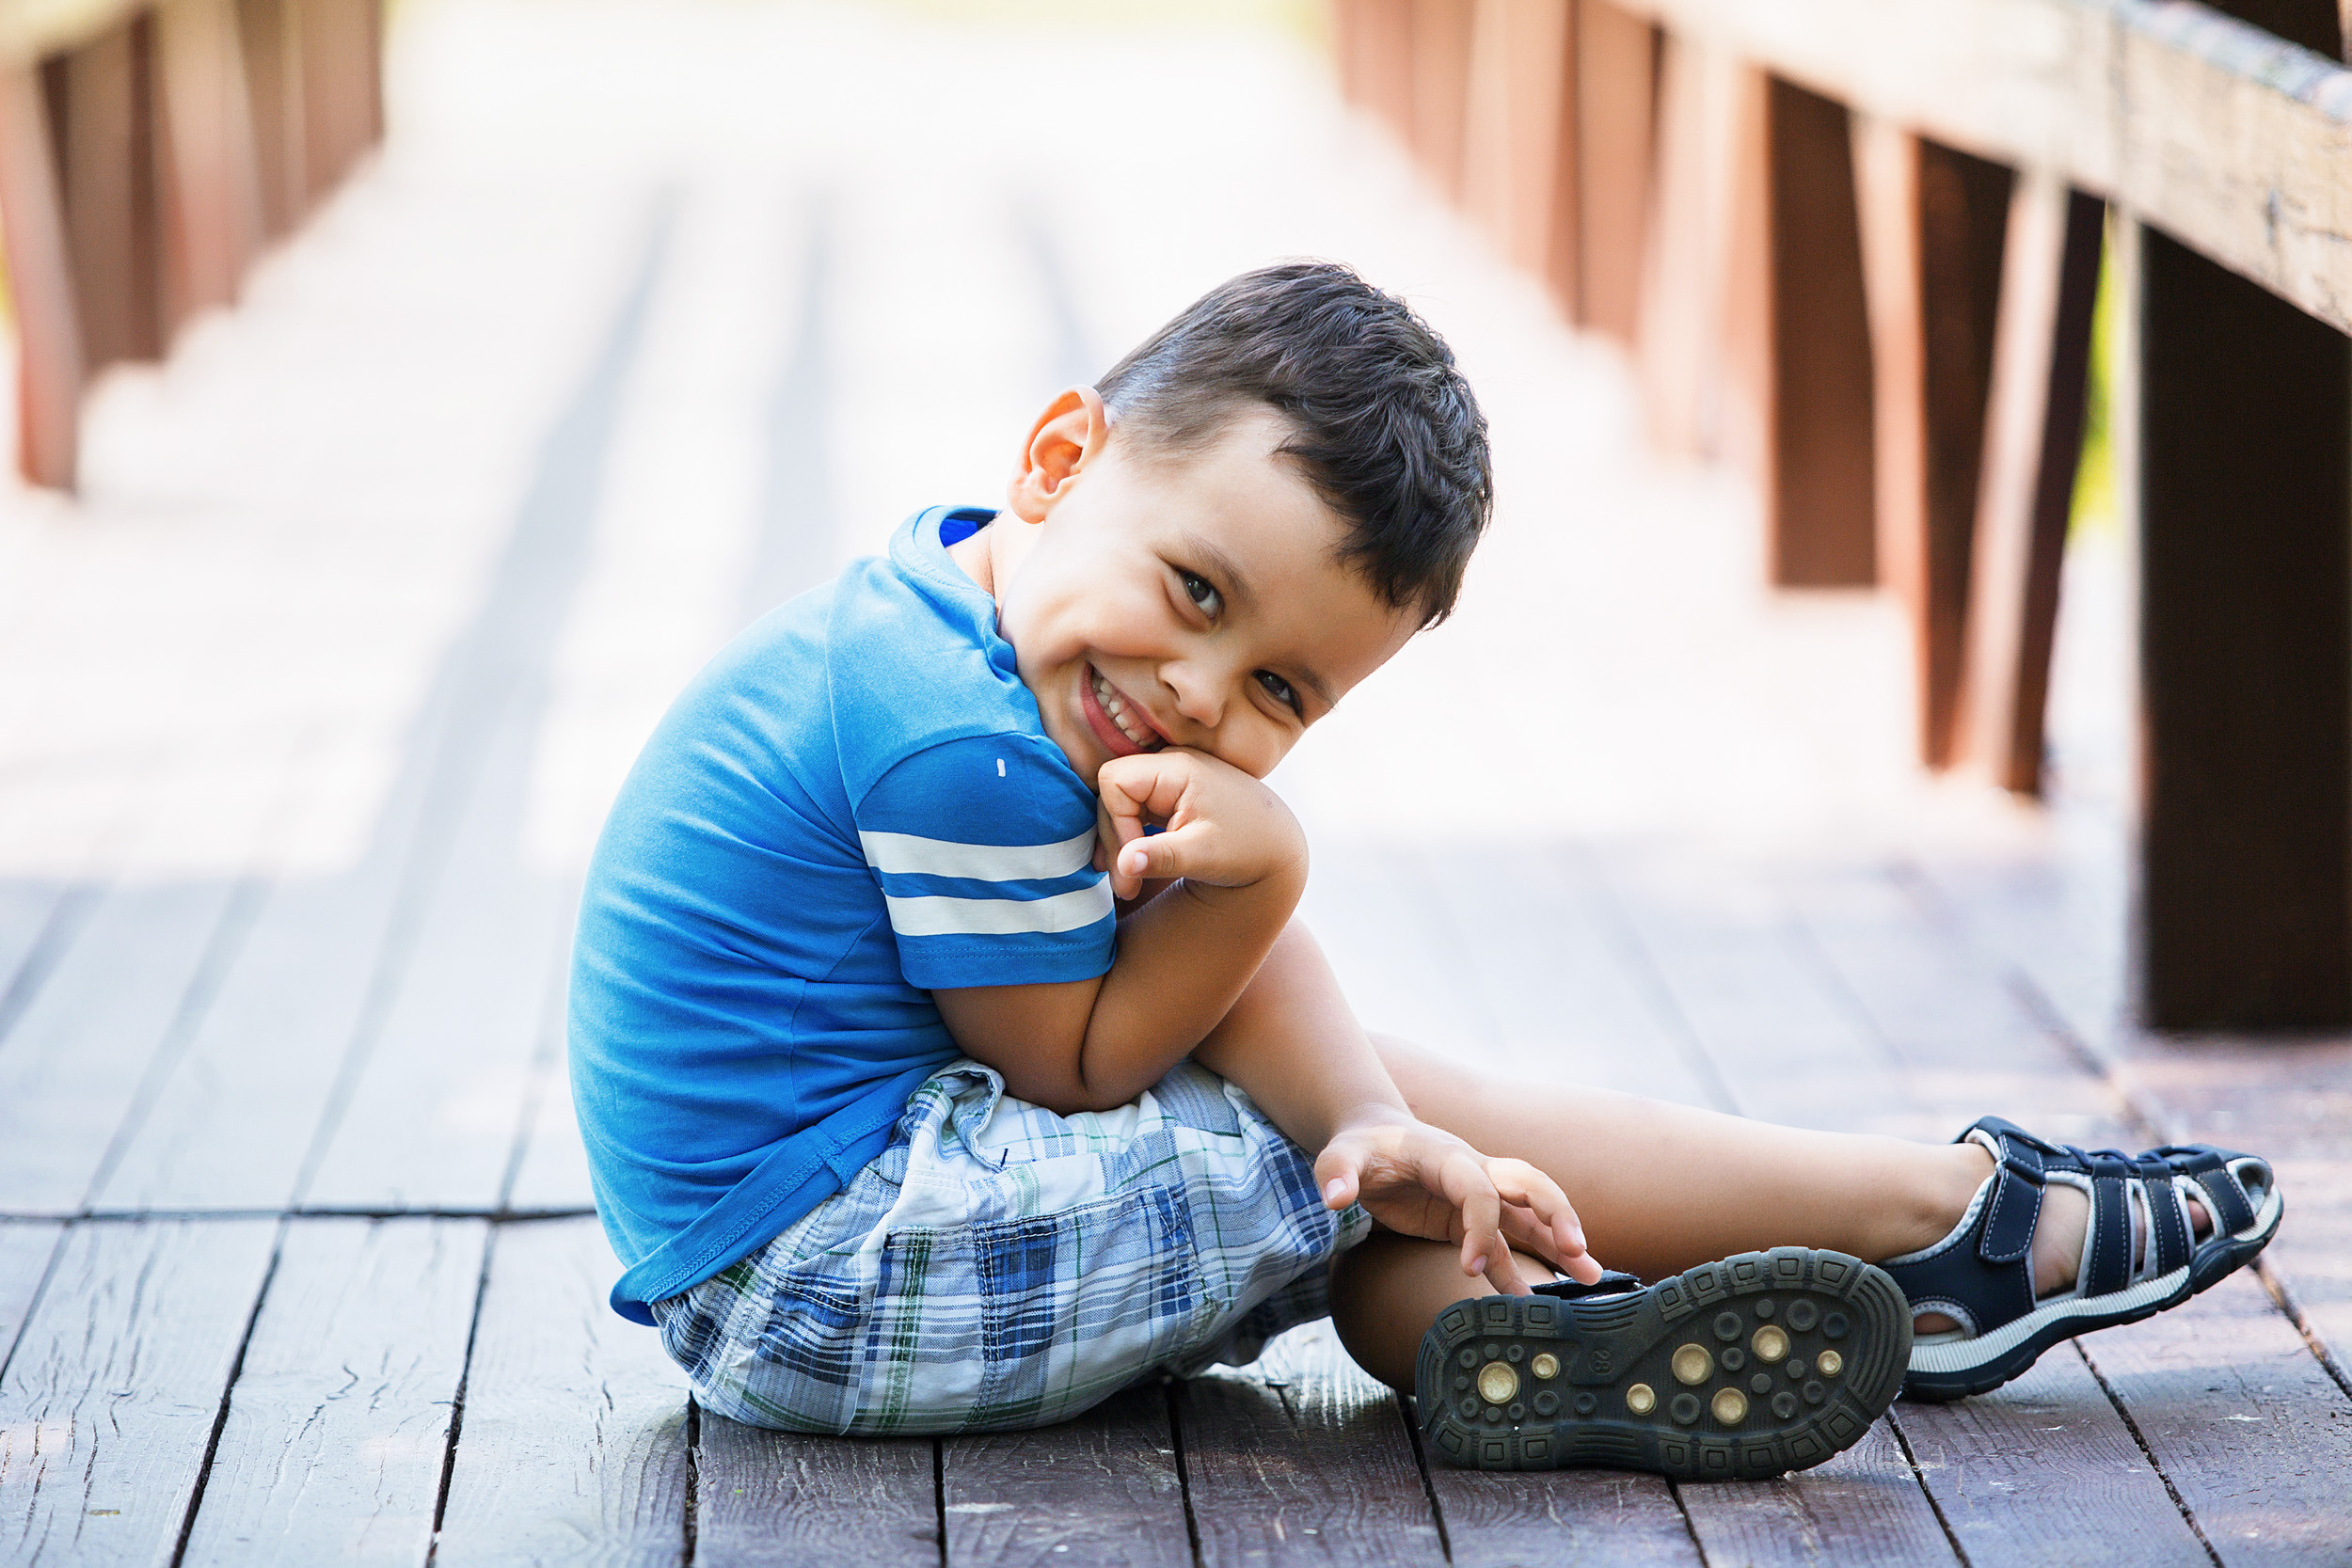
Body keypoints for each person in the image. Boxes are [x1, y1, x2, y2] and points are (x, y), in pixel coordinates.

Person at [566, 262, 2281, 1480]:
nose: (1196, 695)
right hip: (814, 1284)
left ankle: (1559, 1332)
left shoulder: (972, 616)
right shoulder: (970, 746)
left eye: (1279, 695)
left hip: (861, 1236)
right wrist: (1266, 881)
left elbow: (1201, 999)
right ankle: (1943, 1225)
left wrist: (1371, 1106)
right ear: (1062, 459)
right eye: (1196, 589)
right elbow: (1076, 1064)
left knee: (1364, 1147)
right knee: (1313, 1126)